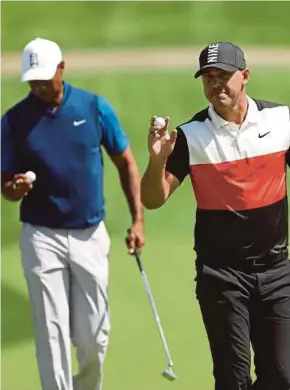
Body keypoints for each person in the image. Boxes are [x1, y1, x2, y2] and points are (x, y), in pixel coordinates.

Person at [141, 41, 290, 390]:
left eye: (223, 75)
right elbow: (153, 198)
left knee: (283, 375)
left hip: (277, 271)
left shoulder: (281, 120)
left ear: (245, 76)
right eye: (208, 77)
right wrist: (157, 158)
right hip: (222, 276)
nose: (215, 84)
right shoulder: (190, 136)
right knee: (233, 378)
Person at [1, 37, 145, 390]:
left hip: (89, 234)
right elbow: (5, 186)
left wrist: (137, 219)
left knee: (95, 335)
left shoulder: (94, 107)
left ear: (61, 69)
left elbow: (125, 161)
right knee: (51, 331)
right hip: (41, 236)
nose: (38, 86)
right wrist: (13, 189)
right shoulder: (13, 121)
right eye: (32, 81)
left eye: (44, 79)